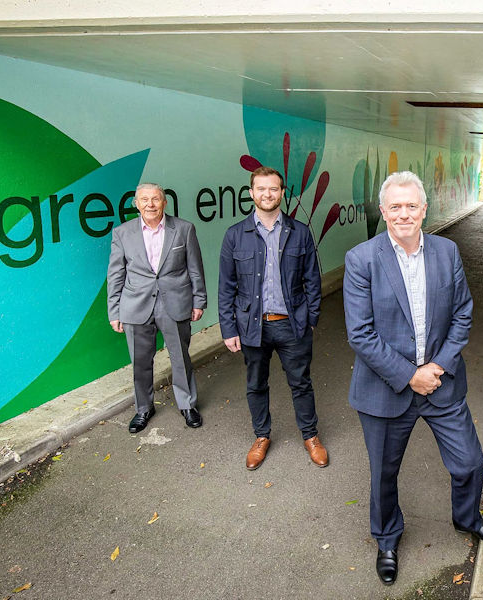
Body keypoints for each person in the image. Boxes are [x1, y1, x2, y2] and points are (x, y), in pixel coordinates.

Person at [343, 171, 483, 586]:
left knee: (470, 461)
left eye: (411, 206)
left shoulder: (446, 252)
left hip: (441, 383)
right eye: (395, 207)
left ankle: (468, 519)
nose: (403, 214)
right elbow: (361, 333)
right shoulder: (362, 259)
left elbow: (463, 313)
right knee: (383, 473)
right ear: (383, 211)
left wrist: (436, 368)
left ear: (424, 210)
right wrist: (409, 375)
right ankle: (387, 539)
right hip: (384, 389)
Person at [217, 166, 326, 470]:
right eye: (261, 189)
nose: (267, 194)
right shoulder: (235, 235)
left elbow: (312, 280)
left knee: (301, 383)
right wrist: (228, 328)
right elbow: (226, 287)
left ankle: (310, 436)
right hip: (253, 326)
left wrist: (311, 318)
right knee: (255, 384)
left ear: (282, 193)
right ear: (251, 193)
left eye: (273, 189)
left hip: (292, 325)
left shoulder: (300, 232)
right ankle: (262, 436)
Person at [107, 183, 207, 433]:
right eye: (144, 200)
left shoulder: (184, 229)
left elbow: (195, 268)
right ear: (136, 204)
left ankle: (187, 405)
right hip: (135, 306)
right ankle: (143, 408)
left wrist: (199, 300)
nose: (150, 204)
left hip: (175, 303)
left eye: (155, 199)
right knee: (140, 362)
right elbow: (116, 274)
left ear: (164, 202)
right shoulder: (122, 233)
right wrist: (115, 311)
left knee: (180, 358)